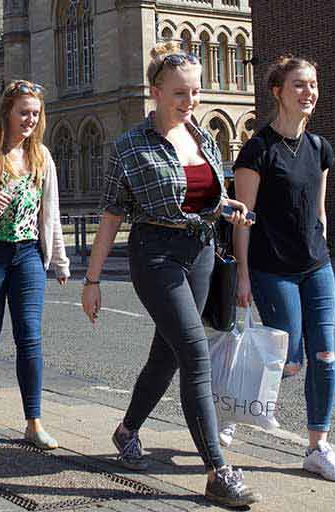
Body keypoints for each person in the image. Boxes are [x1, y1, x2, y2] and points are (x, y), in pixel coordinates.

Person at [80, 42, 260, 508]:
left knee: (169, 355)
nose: (190, 101)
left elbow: (207, 196)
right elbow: (111, 216)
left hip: (199, 251)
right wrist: (92, 279)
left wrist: (229, 208)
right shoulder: (129, 147)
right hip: (155, 254)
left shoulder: (203, 137)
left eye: (195, 92)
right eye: (180, 92)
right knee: (196, 355)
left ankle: (126, 431)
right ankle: (218, 470)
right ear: (156, 91)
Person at [230, 55, 335, 483]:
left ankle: (318, 446)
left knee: (325, 355)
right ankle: (233, 403)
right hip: (271, 269)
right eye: (299, 85)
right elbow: (243, 219)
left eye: (313, 85)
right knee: (290, 356)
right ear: (278, 91)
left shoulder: (320, 149)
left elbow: (318, 211)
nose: (309, 93)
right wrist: (243, 275)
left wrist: (324, 247)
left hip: (316, 265)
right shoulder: (257, 150)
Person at [0, 80, 70, 451]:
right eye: (23, 112)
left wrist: (59, 261)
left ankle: (34, 421)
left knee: (29, 336)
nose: (30, 119)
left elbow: (52, 213)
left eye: (35, 113)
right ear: (7, 113)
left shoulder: (42, 157)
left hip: (28, 254)